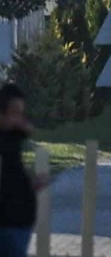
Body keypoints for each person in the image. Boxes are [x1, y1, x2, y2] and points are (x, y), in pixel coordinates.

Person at [0, 83, 43, 256]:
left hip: (19, 220)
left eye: (21, 112)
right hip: (8, 221)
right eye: (14, 112)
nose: (18, 118)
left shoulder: (12, 135)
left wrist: (29, 183)